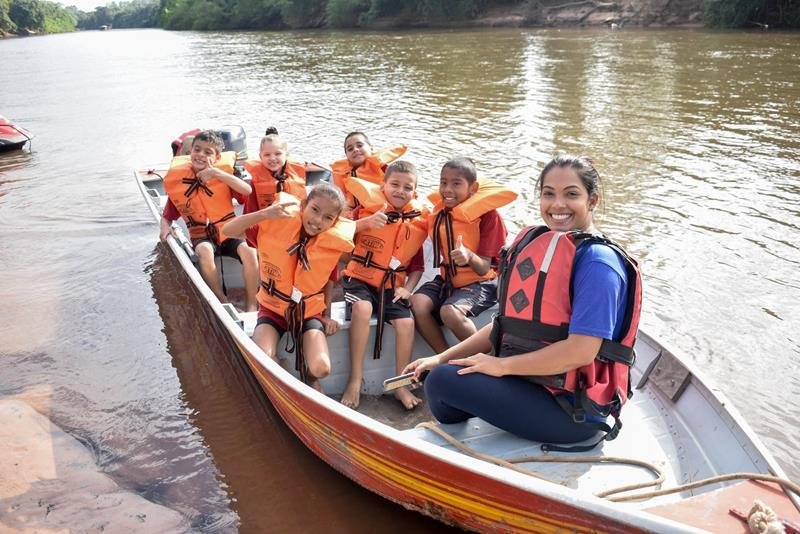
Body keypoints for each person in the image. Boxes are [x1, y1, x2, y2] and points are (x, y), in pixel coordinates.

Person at [403, 155, 642, 450]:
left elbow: (581, 351)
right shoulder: (540, 243)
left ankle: (465, 439)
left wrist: (501, 366)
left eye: (571, 194)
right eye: (548, 194)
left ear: (592, 200)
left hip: (572, 409)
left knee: (442, 381)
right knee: (442, 370)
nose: (557, 205)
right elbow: (504, 324)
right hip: (532, 381)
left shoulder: (598, 263)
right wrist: (440, 357)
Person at [222, 184, 355, 390]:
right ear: (303, 205)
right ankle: (283, 371)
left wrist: (326, 315)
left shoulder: (329, 244)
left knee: (322, 368)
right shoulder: (277, 226)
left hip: (308, 312)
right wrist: (264, 213)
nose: (318, 220)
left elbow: (329, 280)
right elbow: (227, 230)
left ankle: (309, 377)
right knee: (262, 358)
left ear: (335, 222)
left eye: (328, 218)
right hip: (273, 308)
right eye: (315, 210)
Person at [339, 161, 429, 410]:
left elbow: (417, 267)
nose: (400, 191)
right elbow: (338, 236)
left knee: (406, 322)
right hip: (358, 280)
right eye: (395, 185)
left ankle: (400, 385)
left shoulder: (415, 223)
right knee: (363, 308)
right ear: (383, 185)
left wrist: (408, 289)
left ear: (415, 192)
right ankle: (355, 378)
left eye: (407, 187)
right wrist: (365, 223)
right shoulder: (366, 211)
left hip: (391, 286)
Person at [409, 156, 516, 353]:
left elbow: (484, 268)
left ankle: (485, 359)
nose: (447, 189)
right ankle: (443, 358)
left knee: (449, 312)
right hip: (448, 280)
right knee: (417, 303)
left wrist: (468, 255)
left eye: (456, 184)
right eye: (443, 182)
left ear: (473, 188)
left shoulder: (489, 217)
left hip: (482, 282)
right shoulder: (441, 213)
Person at [160, 129, 259, 311]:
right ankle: (222, 302)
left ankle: (252, 305)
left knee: (250, 251)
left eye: (207, 152)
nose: (200, 155)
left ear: (217, 157)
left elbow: (247, 191)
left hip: (228, 231)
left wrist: (217, 174)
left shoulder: (224, 175)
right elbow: (168, 215)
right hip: (201, 236)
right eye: (197, 149)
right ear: (190, 152)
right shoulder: (180, 180)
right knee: (205, 252)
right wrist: (164, 227)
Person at [330, 131, 406, 213]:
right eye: (350, 149)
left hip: (384, 210)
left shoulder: (383, 168)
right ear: (346, 155)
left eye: (360, 145)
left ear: (371, 148)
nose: (355, 149)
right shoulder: (342, 174)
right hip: (356, 214)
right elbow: (341, 201)